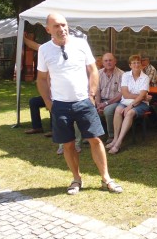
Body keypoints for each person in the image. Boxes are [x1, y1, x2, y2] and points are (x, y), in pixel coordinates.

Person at [37, 13, 123, 195]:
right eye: (56, 26)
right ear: (48, 30)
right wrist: (48, 101)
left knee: (95, 139)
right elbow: (42, 79)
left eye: (64, 24)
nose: (62, 29)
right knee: (68, 144)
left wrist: (92, 95)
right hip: (60, 104)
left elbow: (93, 70)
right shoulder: (44, 50)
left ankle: (106, 178)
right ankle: (76, 179)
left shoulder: (81, 44)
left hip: (84, 101)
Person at [105, 55, 150, 154]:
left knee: (129, 113)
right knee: (117, 110)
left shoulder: (145, 78)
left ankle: (119, 143)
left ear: (141, 65)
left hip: (141, 104)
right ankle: (115, 139)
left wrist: (132, 105)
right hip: (125, 101)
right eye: (134, 63)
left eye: (138, 62)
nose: (136, 64)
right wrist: (141, 96)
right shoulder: (125, 75)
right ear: (130, 65)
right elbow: (125, 94)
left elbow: (142, 97)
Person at [94, 53, 124, 144]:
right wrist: (98, 103)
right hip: (101, 100)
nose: (108, 62)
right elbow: (97, 91)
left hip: (116, 101)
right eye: (106, 61)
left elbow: (120, 94)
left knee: (108, 110)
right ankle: (95, 135)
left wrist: (106, 104)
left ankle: (112, 135)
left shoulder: (121, 74)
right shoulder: (98, 73)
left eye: (110, 60)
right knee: (90, 109)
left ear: (115, 61)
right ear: (102, 63)